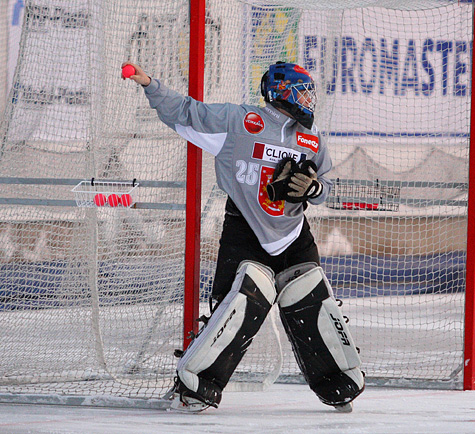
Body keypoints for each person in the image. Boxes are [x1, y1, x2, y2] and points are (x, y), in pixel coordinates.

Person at [123, 61, 364, 412]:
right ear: (282, 91)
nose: (309, 99)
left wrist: (312, 187)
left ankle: (336, 383)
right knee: (232, 310)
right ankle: (196, 387)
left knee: (313, 300)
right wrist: (150, 83)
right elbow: (186, 112)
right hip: (244, 230)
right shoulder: (239, 122)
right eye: (303, 90)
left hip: (295, 234)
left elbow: (326, 186)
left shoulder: (311, 140)